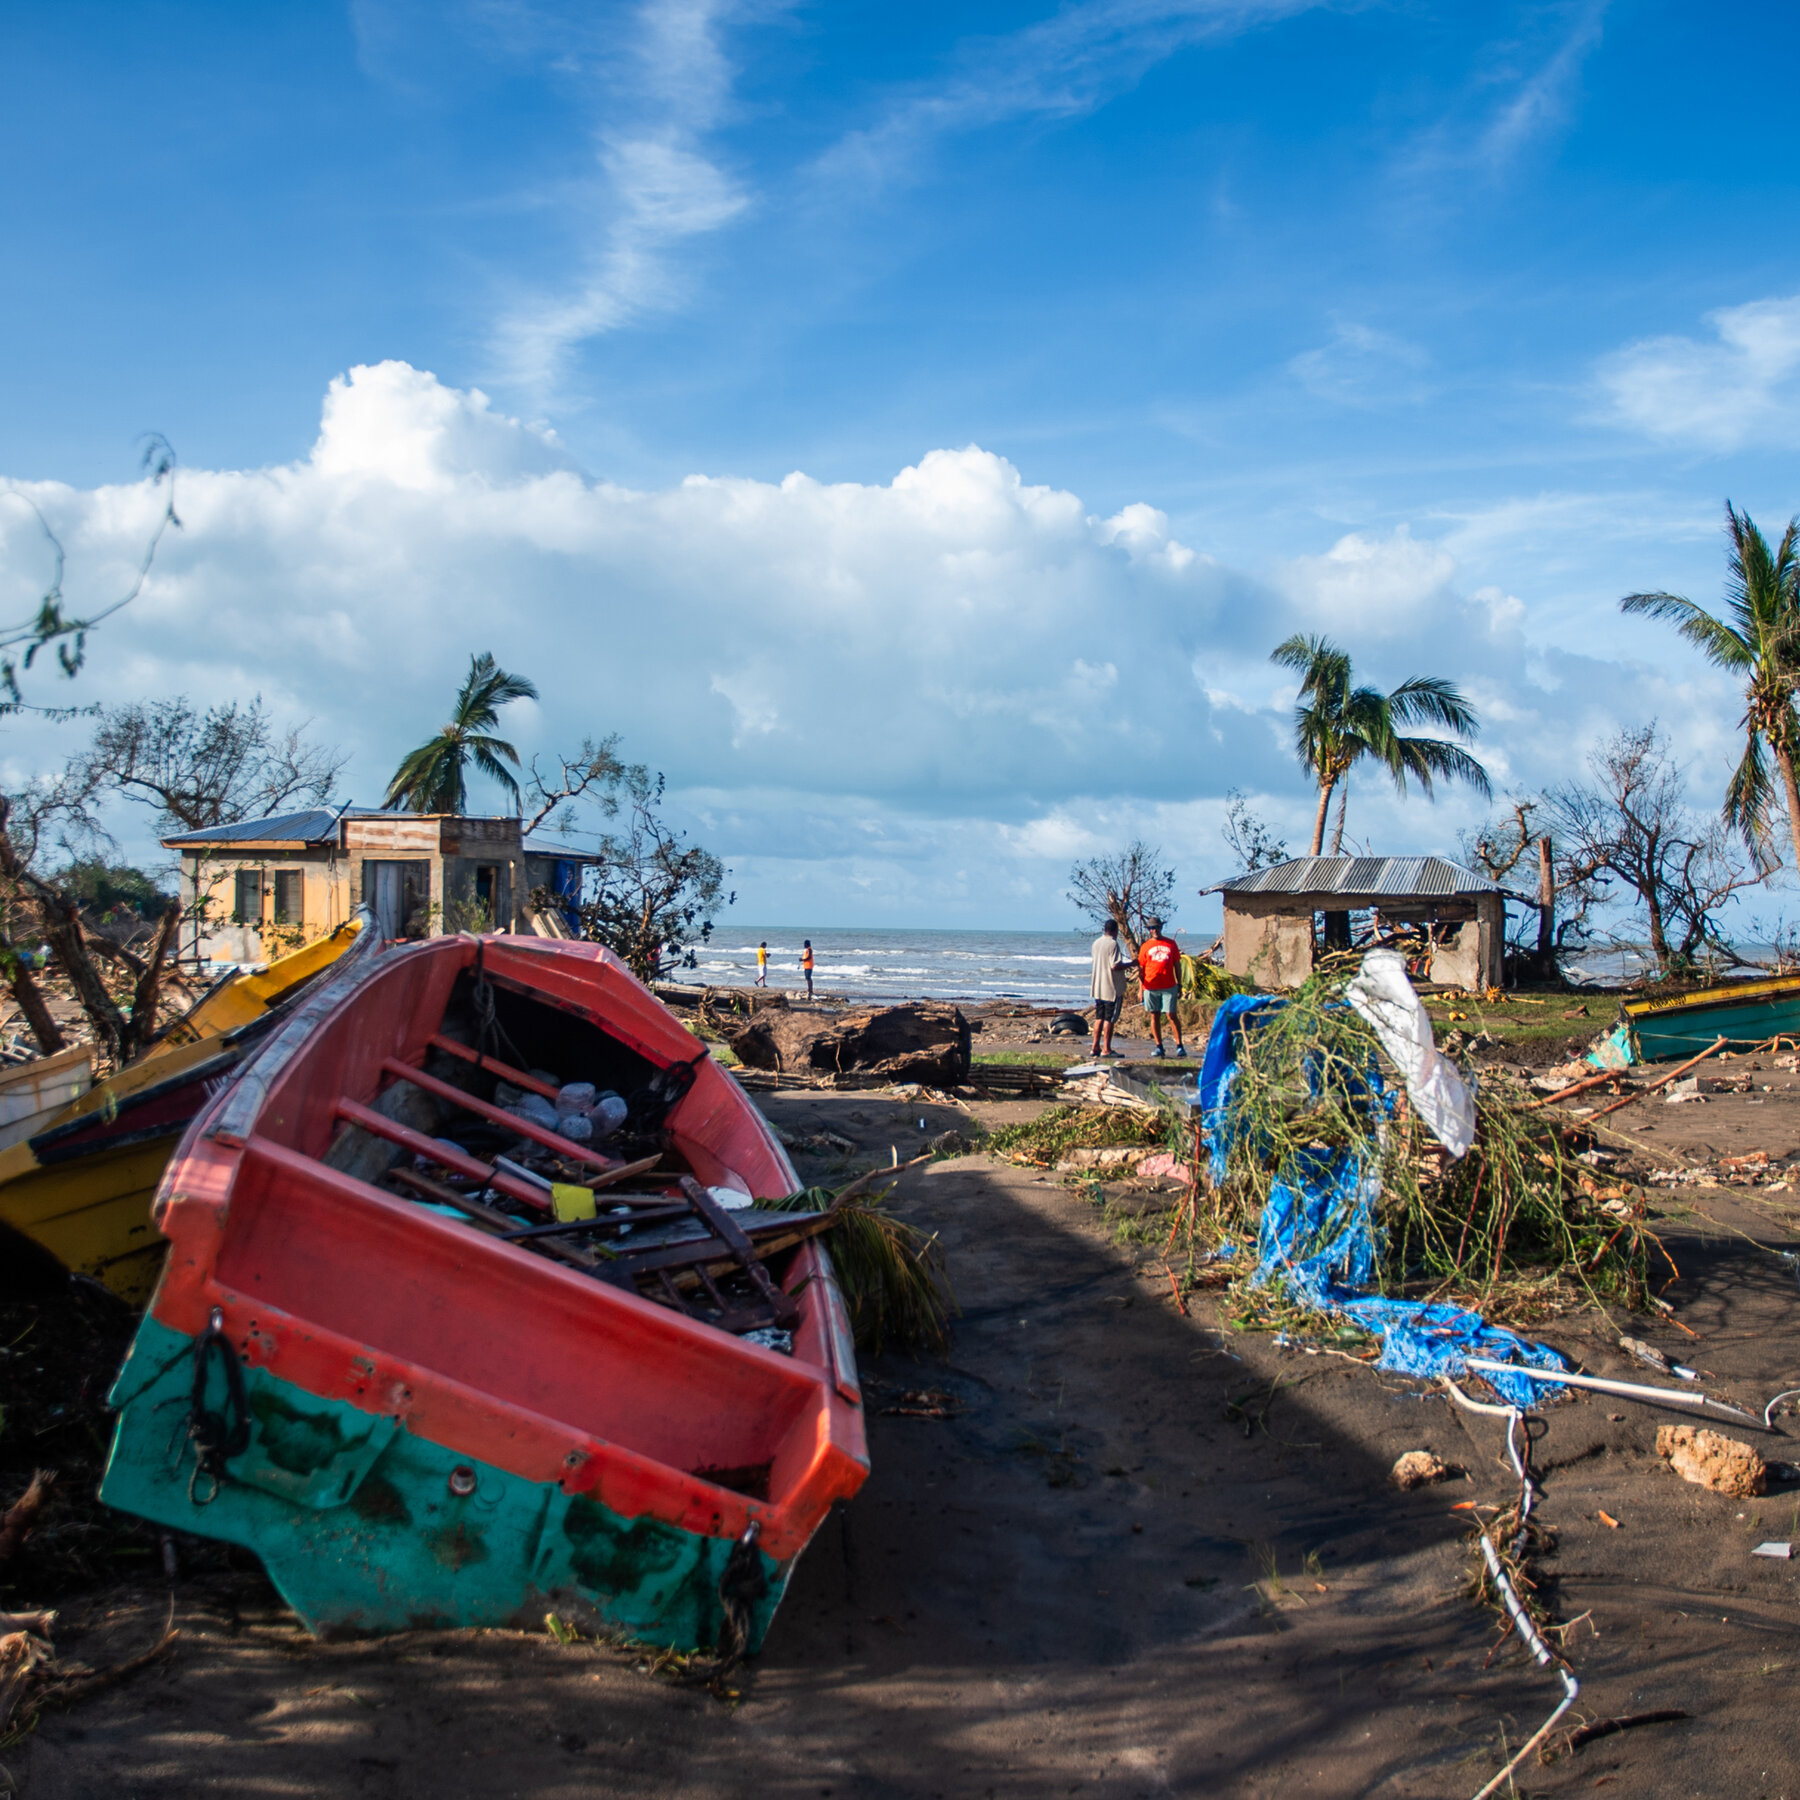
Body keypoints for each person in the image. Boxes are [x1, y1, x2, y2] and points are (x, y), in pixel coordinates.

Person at [1136, 916, 1185, 1057]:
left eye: (1156, 927)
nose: (1154, 930)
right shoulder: (1145, 946)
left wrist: (1179, 984)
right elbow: (1141, 970)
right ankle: (1159, 1046)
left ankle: (1179, 1045)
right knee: (1154, 1015)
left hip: (1169, 985)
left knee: (1171, 1014)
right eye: (1152, 928)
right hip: (1150, 986)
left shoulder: (1171, 944)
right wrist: (1140, 990)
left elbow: (1177, 965)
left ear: (1161, 928)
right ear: (1149, 930)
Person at [1088, 918, 1133, 1059]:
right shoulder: (1113, 944)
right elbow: (1115, 965)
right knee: (1109, 1019)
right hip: (1111, 987)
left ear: (1104, 930)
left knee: (1099, 1017)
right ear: (1115, 931)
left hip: (1098, 986)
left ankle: (1095, 1046)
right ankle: (1106, 1049)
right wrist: (1131, 964)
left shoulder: (1096, 943)